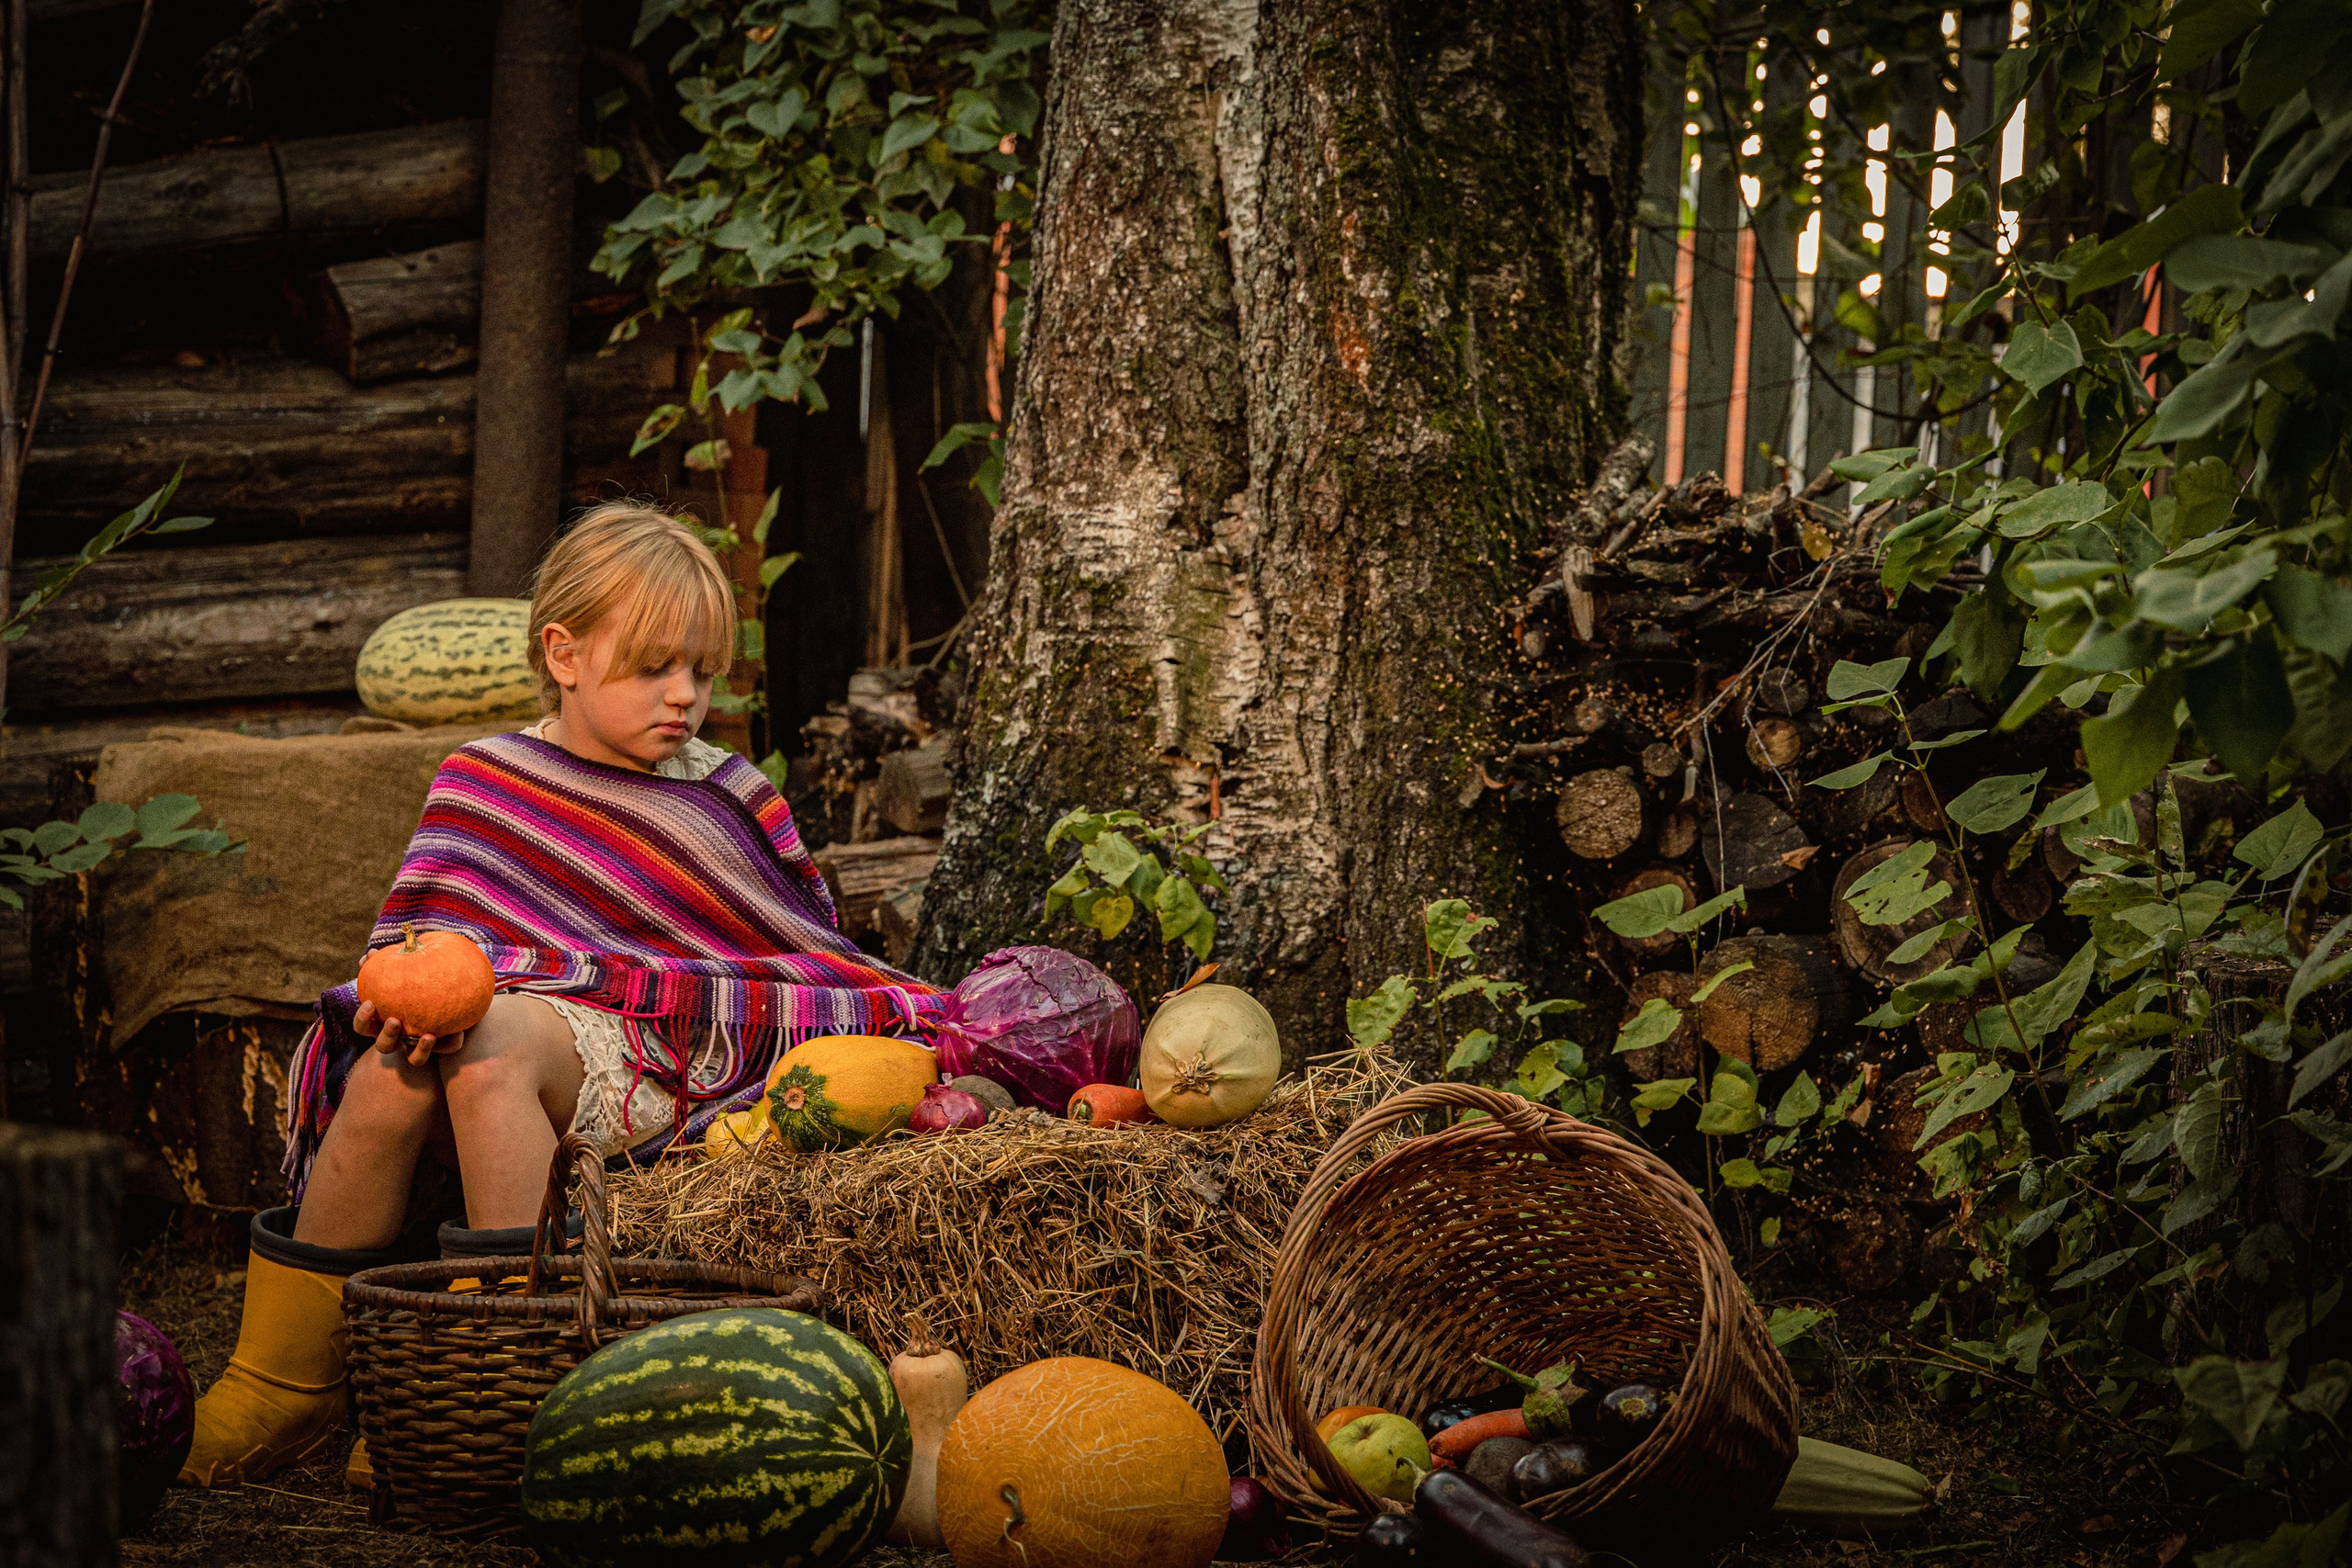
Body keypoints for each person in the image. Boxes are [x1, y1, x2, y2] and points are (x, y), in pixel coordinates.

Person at [176, 502, 943, 1488]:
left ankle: (502, 1378)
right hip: (515, 1026)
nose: (685, 697)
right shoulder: (485, 779)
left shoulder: (727, 795)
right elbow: (426, 938)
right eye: (655, 666)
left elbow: (784, 959)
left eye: (703, 672)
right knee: (388, 1074)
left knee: (486, 1045)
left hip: (660, 1055)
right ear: (564, 652)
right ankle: (281, 1388)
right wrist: (394, 1007)